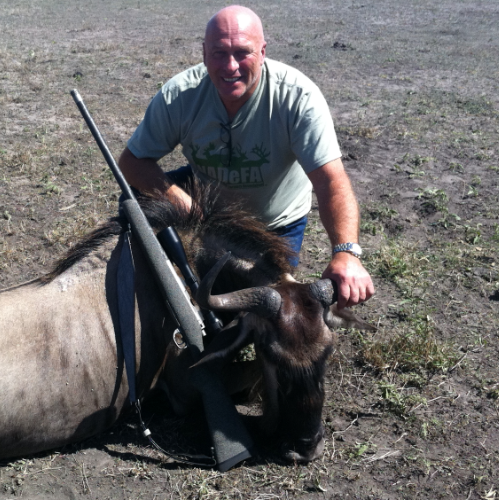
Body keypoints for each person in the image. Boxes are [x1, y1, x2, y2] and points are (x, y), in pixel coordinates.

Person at [117, 5, 374, 309]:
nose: (230, 66)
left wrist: (345, 253)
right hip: (209, 214)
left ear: (263, 51)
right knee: (133, 203)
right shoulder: (180, 95)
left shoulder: (297, 98)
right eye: (218, 53)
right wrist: (181, 202)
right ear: (203, 53)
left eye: (242, 52)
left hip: (274, 224)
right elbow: (132, 162)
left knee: (261, 314)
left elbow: (331, 181)